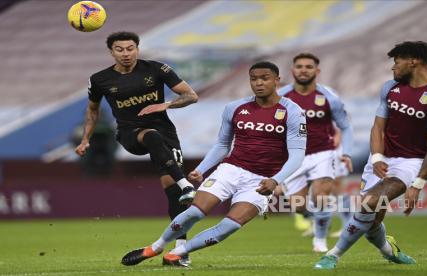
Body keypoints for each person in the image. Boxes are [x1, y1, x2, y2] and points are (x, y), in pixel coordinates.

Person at [120, 61, 307, 267]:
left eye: (265, 78)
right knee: (194, 212)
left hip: (261, 181)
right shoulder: (235, 108)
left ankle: (178, 252)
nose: (259, 83)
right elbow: (222, 145)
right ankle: (155, 247)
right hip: (230, 170)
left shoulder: (293, 112)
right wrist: (201, 169)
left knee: (229, 226)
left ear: (277, 81)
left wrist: (275, 180)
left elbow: (297, 155)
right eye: (254, 79)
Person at [315, 41, 427, 269]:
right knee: (371, 222)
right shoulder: (390, 87)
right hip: (382, 159)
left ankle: (332, 255)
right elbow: (378, 128)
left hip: (412, 162)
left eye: (397, 61)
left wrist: (417, 184)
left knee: (367, 203)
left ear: (414, 61)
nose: (393, 67)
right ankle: (390, 250)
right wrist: (378, 158)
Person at [74, 31, 198, 265]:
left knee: (175, 196)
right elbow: (92, 110)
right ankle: (186, 184)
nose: (126, 53)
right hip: (131, 134)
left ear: (137, 49)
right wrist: (85, 139)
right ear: (111, 52)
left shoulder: (157, 69)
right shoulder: (100, 79)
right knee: (151, 136)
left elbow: (191, 96)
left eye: (130, 48)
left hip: (166, 133)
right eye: (119, 49)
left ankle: (180, 253)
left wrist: (165, 104)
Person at [275, 53, 353, 252]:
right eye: (299, 66)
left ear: (317, 71)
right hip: (293, 157)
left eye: (308, 67)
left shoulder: (329, 97)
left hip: (323, 153)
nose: (303, 70)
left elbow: (345, 126)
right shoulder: (280, 97)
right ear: (292, 71)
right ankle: (322, 217)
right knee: (299, 206)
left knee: (321, 196)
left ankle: (319, 242)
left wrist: (346, 153)